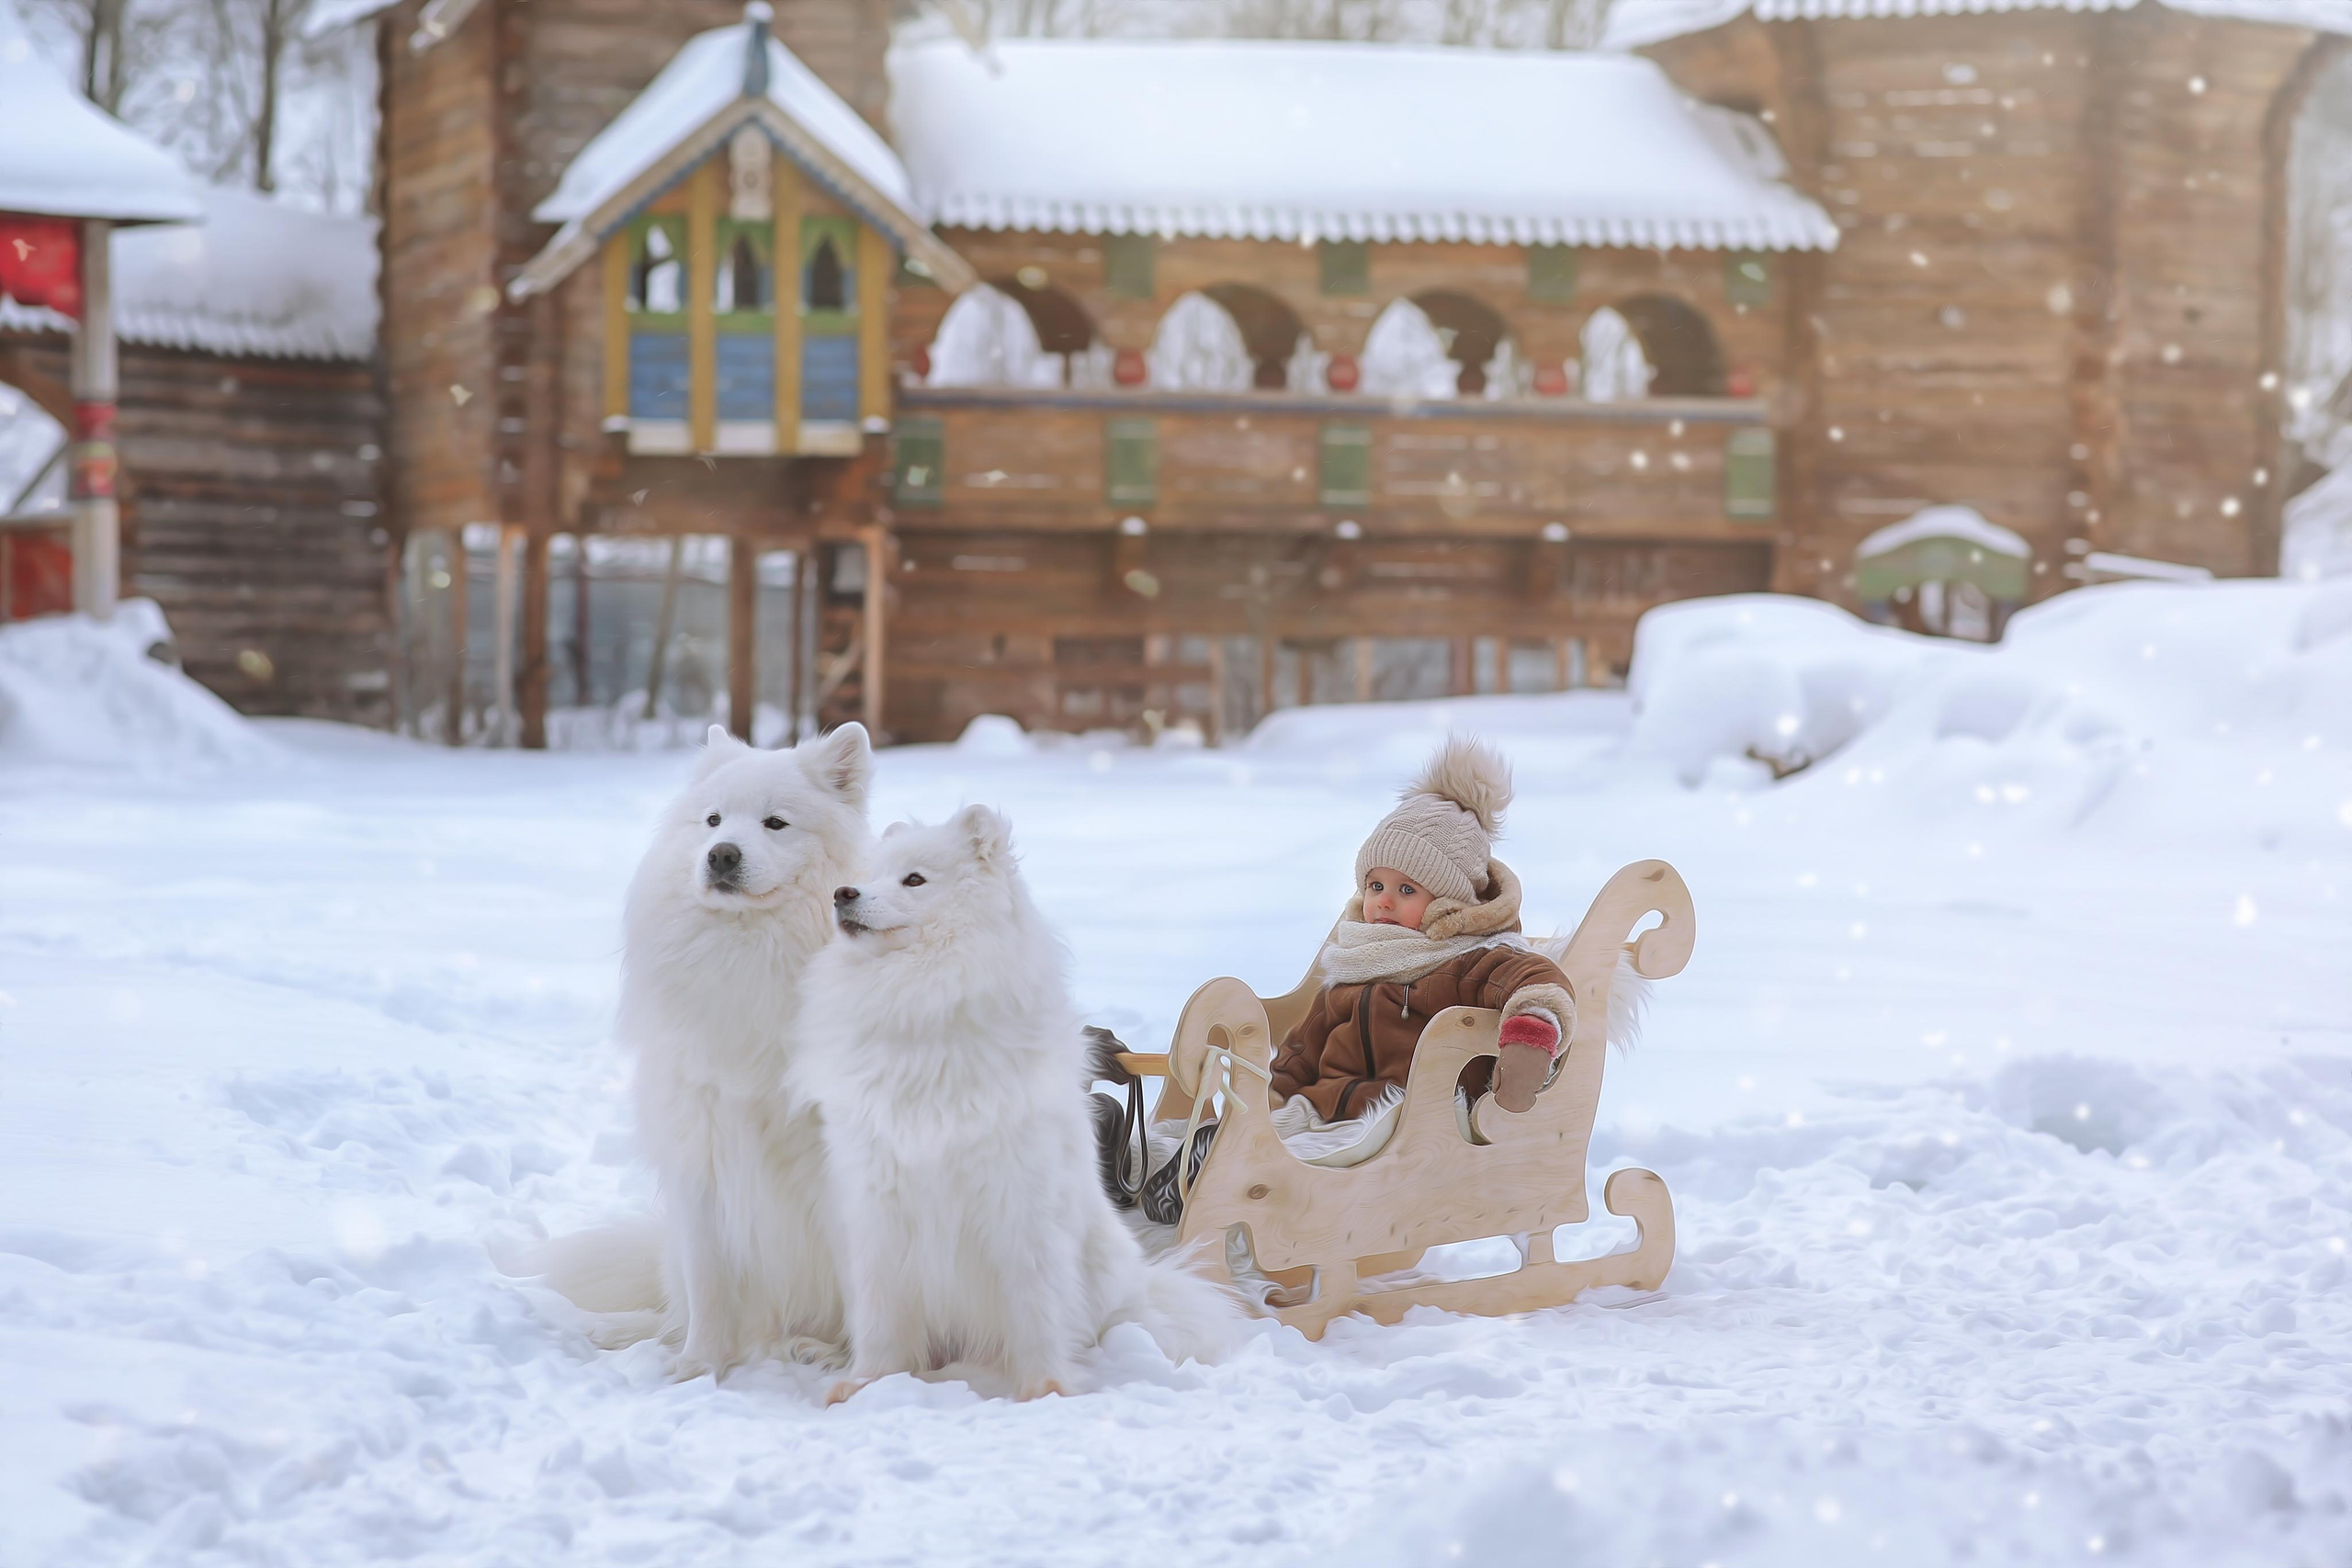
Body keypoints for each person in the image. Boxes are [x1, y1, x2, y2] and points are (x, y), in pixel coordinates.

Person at [1121, 735, 1577, 1224]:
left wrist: (1529, 1039)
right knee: (1279, 1130)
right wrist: (1272, 1099)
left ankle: (1239, 1180)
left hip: (1407, 1121)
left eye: (1407, 890)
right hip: (1324, 1106)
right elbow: (1305, 1046)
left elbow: (1534, 978)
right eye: (1376, 885)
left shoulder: (1469, 959)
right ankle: (1180, 1168)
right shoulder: (1356, 964)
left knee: (1333, 1149)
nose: (1383, 900)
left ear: (1451, 901)